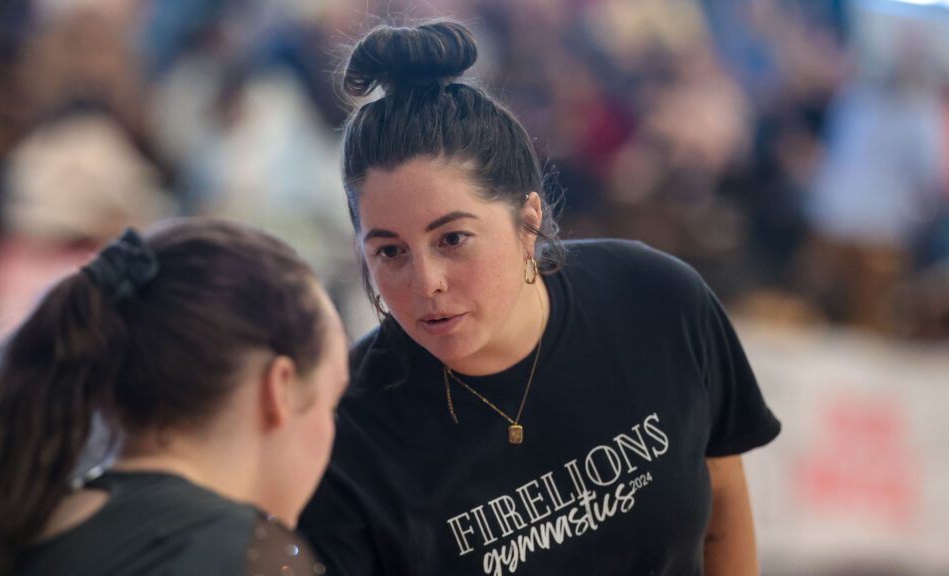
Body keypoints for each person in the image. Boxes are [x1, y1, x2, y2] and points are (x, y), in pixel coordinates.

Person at [298, 20, 781, 576]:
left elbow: (723, 495)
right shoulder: (348, 431)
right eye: (389, 252)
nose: (425, 281)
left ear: (528, 221)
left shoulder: (656, 298)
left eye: (452, 239)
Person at [0, 219, 347, 576]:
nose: (332, 434)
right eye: (332, 404)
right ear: (280, 389)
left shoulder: (19, 520)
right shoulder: (252, 555)